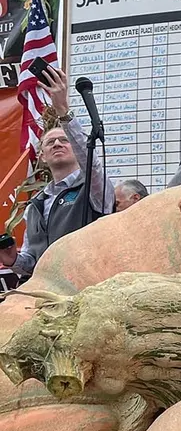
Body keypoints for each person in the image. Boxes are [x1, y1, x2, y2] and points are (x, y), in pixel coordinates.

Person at [14, 66, 115, 280]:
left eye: (64, 140)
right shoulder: (35, 205)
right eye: (50, 142)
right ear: (42, 155)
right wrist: (12, 260)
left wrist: (63, 111)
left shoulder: (92, 188)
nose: (57, 144)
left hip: (86, 288)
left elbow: (91, 163)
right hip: (47, 293)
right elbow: (31, 261)